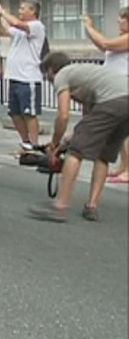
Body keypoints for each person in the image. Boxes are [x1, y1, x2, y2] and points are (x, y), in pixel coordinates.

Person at [29, 53, 129, 222]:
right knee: (103, 155)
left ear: (51, 70)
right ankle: (91, 206)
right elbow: (90, 119)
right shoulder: (85, 75)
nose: (49, 80)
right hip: (124, 103)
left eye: (47, 76)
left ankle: (59, 206)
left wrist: (54, 145)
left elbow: (63, 115)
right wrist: (68, 140)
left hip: (112, 102)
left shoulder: (62, 75)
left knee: (75, 152)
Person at [0, 0, 47, 151]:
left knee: (29, 113)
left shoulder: (37, 26)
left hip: (28, 77)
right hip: (15, 76)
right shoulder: (19, 30)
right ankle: (25, 141)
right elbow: (3, 31)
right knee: (14, 113)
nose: (20, 11)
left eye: (23, 8)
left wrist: (3, 11)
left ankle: (35, 143)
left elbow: (17, 23)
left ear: (33, 11)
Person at [84, 9, 129, 183]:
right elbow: (104, 46)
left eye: (123, 18)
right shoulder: (122, 39)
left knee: (125, 132)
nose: (119, 21)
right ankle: (122, 166)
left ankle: (128, 169)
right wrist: (92, 31)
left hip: (123, 86)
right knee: (119, 131)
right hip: (113, 87)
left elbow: (105, 44)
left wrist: (89, 27)